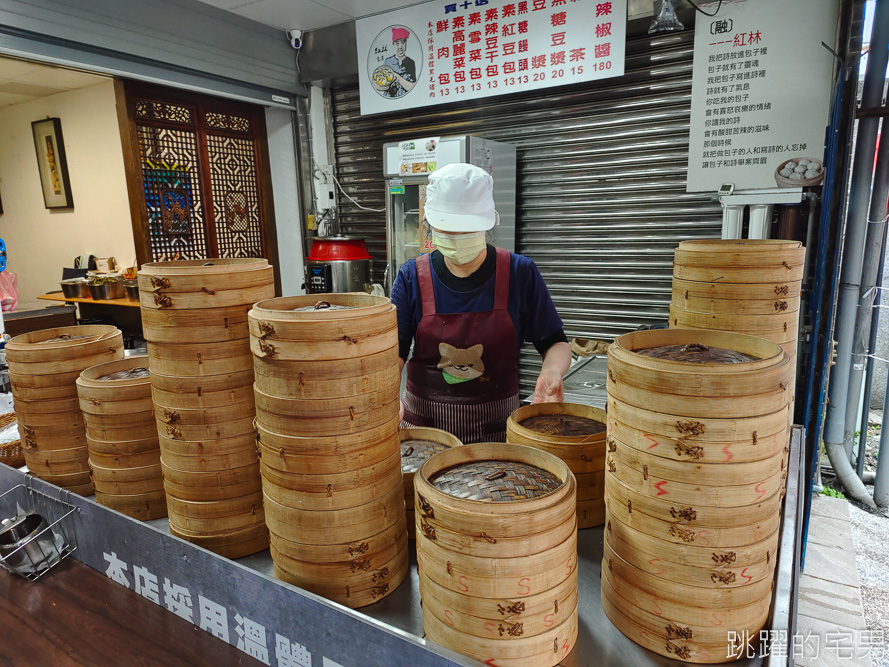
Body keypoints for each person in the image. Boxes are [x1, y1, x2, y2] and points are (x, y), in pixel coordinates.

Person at [391, 163, 572, 444]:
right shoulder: (410, 277)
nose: (458, 238)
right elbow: (395, 355)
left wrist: (551, 371)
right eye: (449, 229)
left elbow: (555, 342)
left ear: (487, 225)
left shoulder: (519, 273)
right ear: (432, 225)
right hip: (424, 435)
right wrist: (386, 394)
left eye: (467, 229)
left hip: (497, 433)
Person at [382, 28, 416, 98]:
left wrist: (398, 78)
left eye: (402, 43)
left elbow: (412, 87)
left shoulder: (411, 62)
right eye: (397, 44)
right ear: (393, 45)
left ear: (406, 43)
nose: (400, 47)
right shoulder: (388, 61)